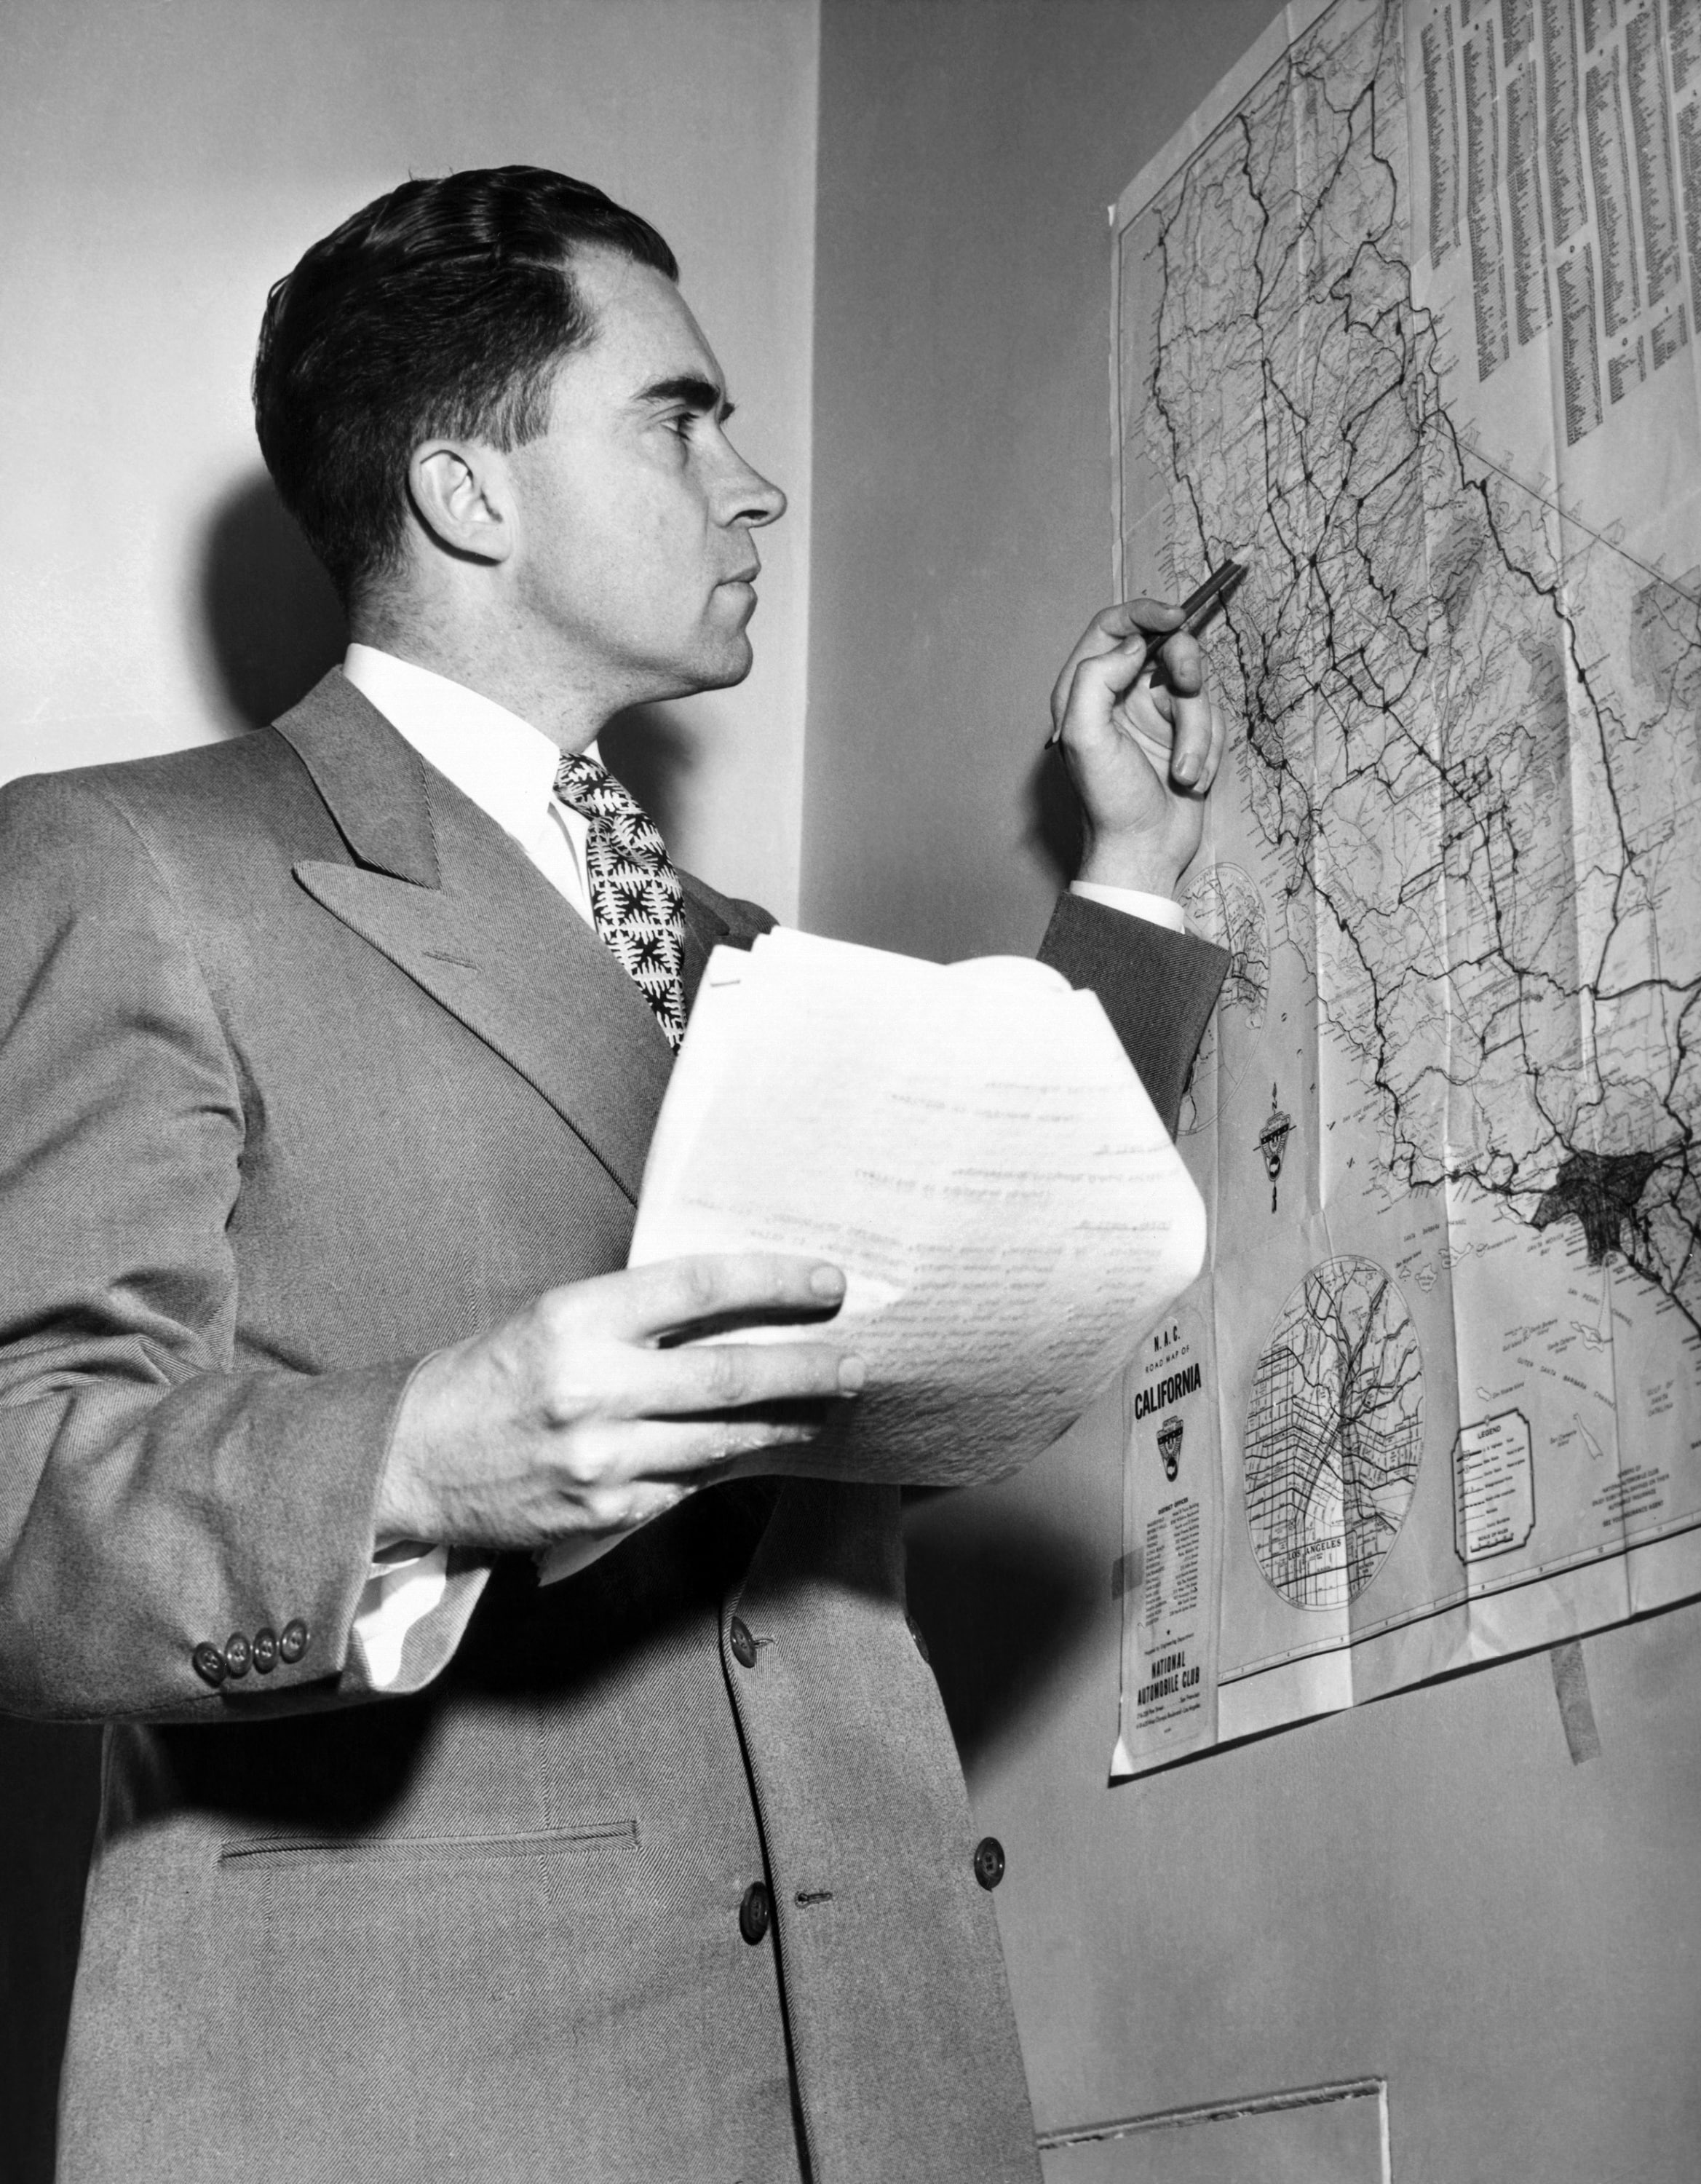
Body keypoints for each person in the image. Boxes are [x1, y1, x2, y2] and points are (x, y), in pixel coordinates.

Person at [0, 167, 1226, 2184]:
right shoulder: (127, 863)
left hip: (882, 2084)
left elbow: (949, 1311)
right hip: (424, 2100)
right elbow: (27, 1492)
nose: (758, 487)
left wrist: (1134, 879)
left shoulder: (740, 962)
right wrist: (421, 1457)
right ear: (468, 493)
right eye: (680, 418)